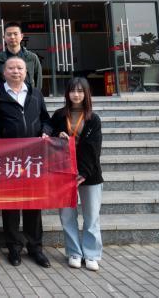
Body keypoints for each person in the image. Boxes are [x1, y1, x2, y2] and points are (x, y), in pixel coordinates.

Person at [0, 56, 53, 269]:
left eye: (20, 68)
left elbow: (46, 119)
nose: (16, 71)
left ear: (26, 72)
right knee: (11, 205)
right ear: (4, 72)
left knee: (33, 204)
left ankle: (35, 248)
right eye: (11, 68)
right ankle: (14, 248)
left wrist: (45, 132)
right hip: (8, 159)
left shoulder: (36, 94)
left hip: (33, 158)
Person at [51, 77, 103, 272]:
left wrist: (84, 173)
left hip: (90, 174)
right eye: (73, 91)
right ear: (67, 93)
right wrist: (57, 134)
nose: (76, 94)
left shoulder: (93, 119)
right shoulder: (59, 115)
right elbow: (49, 132)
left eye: (81, 91)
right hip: (64, 173)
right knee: (67, 216)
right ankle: (74, 252)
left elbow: (94, 148)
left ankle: (91, 254)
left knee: (91, 217)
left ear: (86, 94)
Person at [0, 22, 43, 90]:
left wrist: (35, 95)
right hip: (5, 96)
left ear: (21, 36)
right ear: (4, 37)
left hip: (28, 95)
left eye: (15, 34)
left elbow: (38, 82)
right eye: (9, 34)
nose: (12, 37)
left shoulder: (32, 58)